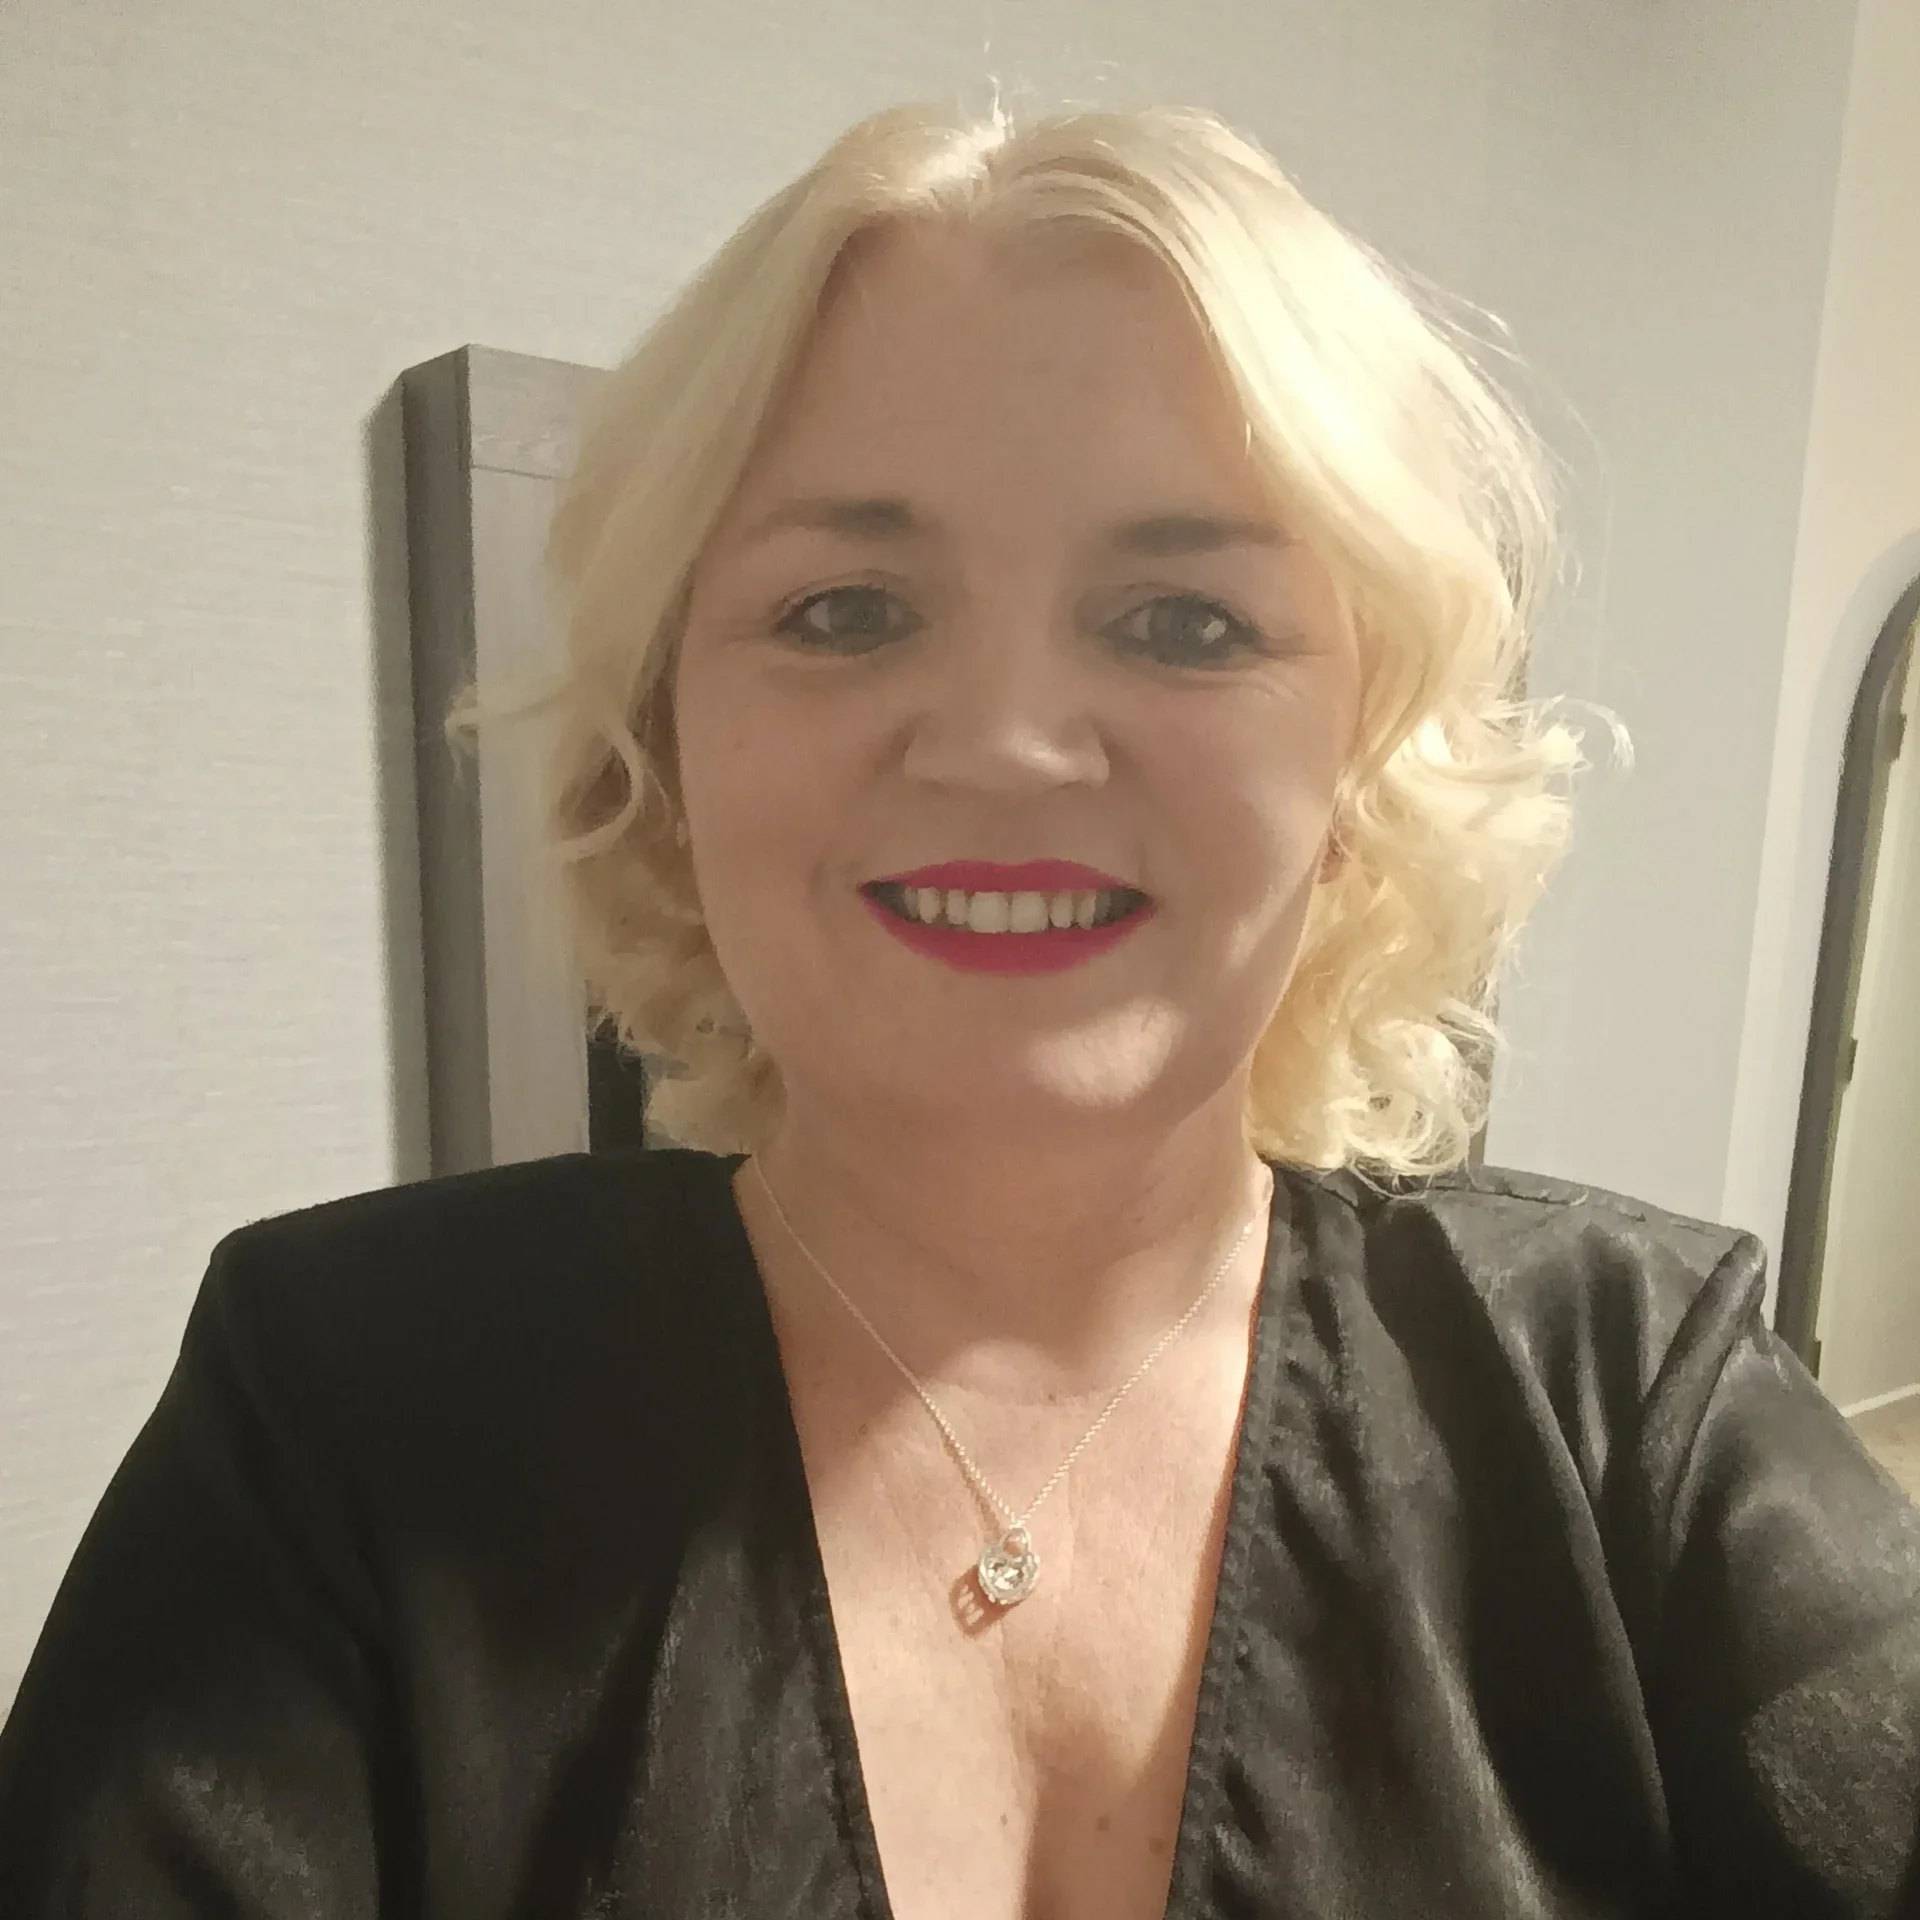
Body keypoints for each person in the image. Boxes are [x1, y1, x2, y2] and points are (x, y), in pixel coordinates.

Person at [2, 97, 1916, 1920]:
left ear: (1355, 774)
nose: (1005, 745)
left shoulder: (1629, 1402)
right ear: (669, 745)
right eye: (846, 608)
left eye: (1187, 622)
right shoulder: (345, 1408)